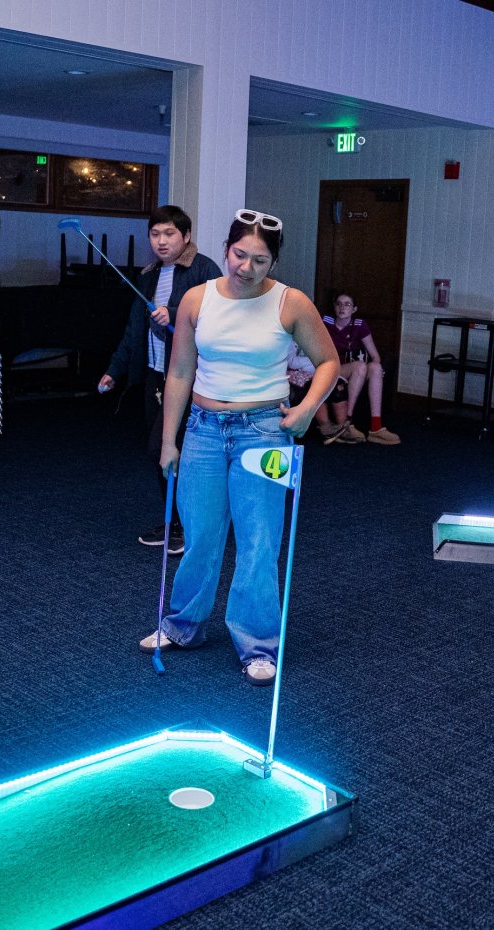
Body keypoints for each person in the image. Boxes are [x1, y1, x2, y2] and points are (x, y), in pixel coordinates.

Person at [140, 209, 339, 685]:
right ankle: (183, 626)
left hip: (265, 431)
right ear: (226, 249)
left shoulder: (291, 303)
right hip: (205, 429)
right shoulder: (195, 299)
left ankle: (256, 646)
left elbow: (329, 361)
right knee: (201, 535)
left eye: (260, 261)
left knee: (258, 542)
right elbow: (181, 372)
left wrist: (308, 408)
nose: (246, 268)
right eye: (239, 255)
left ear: (274, 263)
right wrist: (170, 440)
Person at [98, 205, 222, 554]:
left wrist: (178, 312)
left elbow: (216, 321)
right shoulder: (149, 275)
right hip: (156, 375)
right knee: (161, 455)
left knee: (166, 448)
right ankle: (176, 521)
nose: (161, 241)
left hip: (190, 380)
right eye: (155, 234)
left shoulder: (204, 269)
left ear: (186, 236)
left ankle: (189, 522)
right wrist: (114, 369)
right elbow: (134, 328)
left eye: (169, 234)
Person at [317, 292, 400, 445]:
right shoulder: (326, 322)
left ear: (354, 309)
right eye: (339, 304)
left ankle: (376, 428)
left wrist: (379, 369)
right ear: (335, 308)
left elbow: (375, 355)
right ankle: (347, 422)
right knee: (360, 366)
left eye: (347, 304)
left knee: (374, 367)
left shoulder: (359, 325)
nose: (342, 307)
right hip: (332, 369)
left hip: (356, 370)